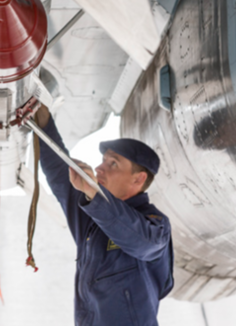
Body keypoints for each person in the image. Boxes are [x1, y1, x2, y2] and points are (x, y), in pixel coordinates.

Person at [34, 106, 174, 326]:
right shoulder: (91, 219)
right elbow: (59, 173)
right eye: (103, 160)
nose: (99, 168)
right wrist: (40, 117)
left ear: (138, 179)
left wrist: (93, 193)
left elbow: (142, 241)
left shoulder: (155, 225)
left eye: (113, 163)